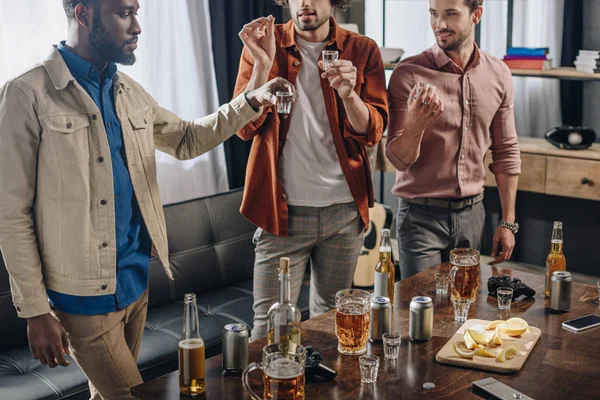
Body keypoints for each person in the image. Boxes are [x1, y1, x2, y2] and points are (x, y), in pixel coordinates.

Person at [0, 0, 294, 398]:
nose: (137, 26)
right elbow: (10, 213)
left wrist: (251, 99)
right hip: (83, 298)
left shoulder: (128, 91)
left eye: (137, 12)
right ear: (84, 14)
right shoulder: (26, 94)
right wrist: (35, 311)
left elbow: (188, 139)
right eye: (123, 13)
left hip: (138, 284)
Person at [233, 0, 389, 341]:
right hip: (280, 214)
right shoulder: (264, 44)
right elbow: (244, 129)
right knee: (269, 333)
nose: (305, 3)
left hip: (344, 214)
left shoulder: (362, 50)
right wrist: (261, 63)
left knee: (331, 326)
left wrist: (349, 96)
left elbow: (373, 130)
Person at [386, 0, 521, 279]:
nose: (440, 25)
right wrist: (415, 126)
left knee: (466, 308)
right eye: (434, 14)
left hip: (473, 215)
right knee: (421, 313)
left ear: (476, 15)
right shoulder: (408, 74)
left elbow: (506, 150)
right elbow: (398, 159)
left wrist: (508, 222)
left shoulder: (499, 75)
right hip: (420, 217)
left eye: (451, 14)